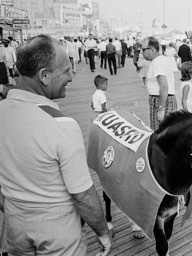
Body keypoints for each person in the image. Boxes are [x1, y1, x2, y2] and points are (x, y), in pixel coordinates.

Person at [0, 34, 112, 256]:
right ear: (44, 75)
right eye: (66, 71)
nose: (71, 77)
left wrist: (15, 210)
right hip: (57, 233)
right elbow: (82, 194)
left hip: (14, 227)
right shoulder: (62, 125)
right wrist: (103, 232)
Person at [142, 36, 177, 130]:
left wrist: (161, 109)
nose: (142, 52)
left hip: (160, 101)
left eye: (143, 49)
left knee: (159, 133)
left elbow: (164, 86)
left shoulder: (158, 63)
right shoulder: (161, 60)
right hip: (162, 100)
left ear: (151, 50)